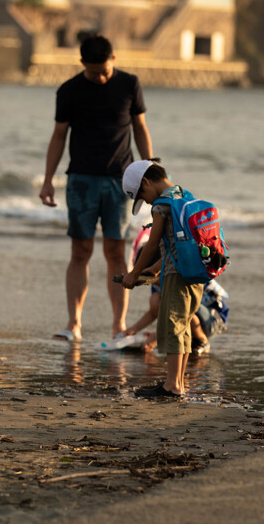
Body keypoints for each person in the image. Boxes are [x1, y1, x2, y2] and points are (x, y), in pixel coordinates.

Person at [40, 35, 153, 342]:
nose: (101, 78)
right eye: (94, 73)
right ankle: (73, 324)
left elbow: (140, 128)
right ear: (82, 64)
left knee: (116, 252)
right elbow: (58, 136)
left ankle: (118, 326)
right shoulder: (69, 90)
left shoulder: (129, 84)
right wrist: (48, 179)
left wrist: (150, 171)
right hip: (81, 180)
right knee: (80, 251)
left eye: (104, 71)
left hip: (120, 181)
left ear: (113, 59)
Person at [121, 158, 206, 399]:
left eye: (142, 195)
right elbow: (176, 243)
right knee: (183, 325)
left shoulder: (161, 205)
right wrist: (157, 268)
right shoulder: (184, 195)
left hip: (176, 276)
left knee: (172, 326)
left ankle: (172, 386)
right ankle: (177, 382)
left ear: (146, 182)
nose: (146, 201)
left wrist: (134, 273)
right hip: (194, 271)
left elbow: (152, 244)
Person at [122, 225, 228, 355]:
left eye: (148, 276)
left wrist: (158, 337)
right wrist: (132, 330)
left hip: (213, 318)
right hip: (193, 314)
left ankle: (201, 340)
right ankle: (190, 338)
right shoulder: (158, 284)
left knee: (174, 304)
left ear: (159, 269)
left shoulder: (179, 276)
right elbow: (153, 313)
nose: (149, 282)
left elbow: (183, 309)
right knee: (157, 301)